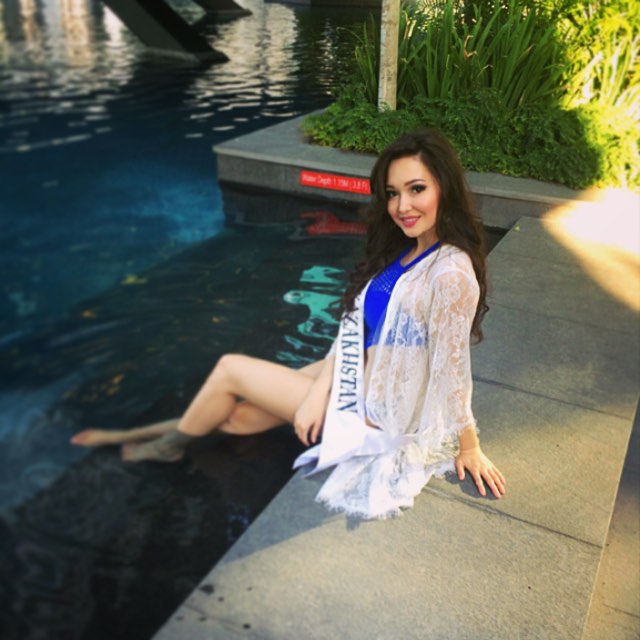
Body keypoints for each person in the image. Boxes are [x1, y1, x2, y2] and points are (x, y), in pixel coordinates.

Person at [71, 129, 506, 519]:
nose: (402, 206)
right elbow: (357, 328)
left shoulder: (450, 274)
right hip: (352, 370)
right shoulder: (409, 250)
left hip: (373, 410)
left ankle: (168, 444)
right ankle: (150, 432)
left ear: (444, 188)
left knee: (229, 369)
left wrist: (469, 446)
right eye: (393, 193)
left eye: (417, 189)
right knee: (239, 417)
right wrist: (317, 392)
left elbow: (453, 369)